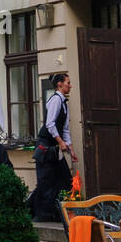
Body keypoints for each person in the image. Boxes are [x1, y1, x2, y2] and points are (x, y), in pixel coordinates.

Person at [31, 72, 77, 221]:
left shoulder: (64, 103)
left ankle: (58, 212)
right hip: (45, 146)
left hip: (54, 147)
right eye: (67, 83)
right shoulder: (56, 100)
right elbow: (49, 124)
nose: (70, 85)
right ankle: (40, 214)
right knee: (45, 181)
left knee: (64, 179)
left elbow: (65, 129)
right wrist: (60, 142)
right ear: (59, 84)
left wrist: (70, 149)